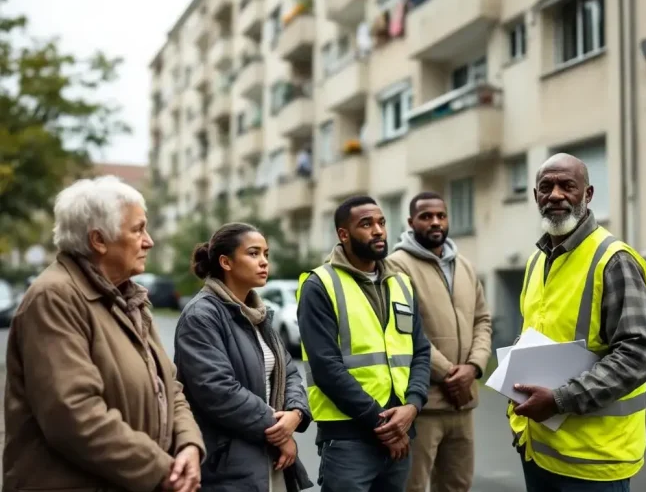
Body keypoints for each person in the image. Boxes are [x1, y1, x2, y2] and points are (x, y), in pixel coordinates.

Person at [3, 176, 205, 492]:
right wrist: (161, 470)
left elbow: (169, 386)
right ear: (99, 240)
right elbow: (73, 415)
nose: (149, 241)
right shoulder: (54, 297)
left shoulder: (130, 298)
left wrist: (189, 444)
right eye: (138, 230)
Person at [507, 153, 646, 491]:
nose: (555, 195)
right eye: (546, 187)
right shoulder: (535, 262)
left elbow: (638, 354)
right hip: (538, 450)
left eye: (567, 186)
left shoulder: (614, 259)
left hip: (594, 462)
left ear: (587, 194)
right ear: (535, 196)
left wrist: (560, 400)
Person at [297, 195, 432, 492]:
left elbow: (421, 351)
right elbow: (326, 368)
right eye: (366, 224)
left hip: (400, 432)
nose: (379, 230)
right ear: (343, 234)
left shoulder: (401, 283)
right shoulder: (319, 285)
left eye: (381, 222)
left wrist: (413, 406)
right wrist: (382, 424)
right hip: (349, 439)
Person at [174, 222, 313, 492]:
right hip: (229, 463)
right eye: (253, 253)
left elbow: (289, 372)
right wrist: (278, 430)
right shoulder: (202, 315)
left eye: (266, 254)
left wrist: (296, 413)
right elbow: (217, 389)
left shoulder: (257, 314)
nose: (264, 261)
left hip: (269, 456)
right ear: (226, 262)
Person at [388, 192, 492, 492]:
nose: (435, 222)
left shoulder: (465, 266)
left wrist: (473, 367)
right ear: (411, 222)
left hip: (462, 403)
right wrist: (449, 374)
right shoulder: (397, 266)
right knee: (412, 486)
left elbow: (482, 320)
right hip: (423, 404)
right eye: (426, 216)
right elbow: (404, 331)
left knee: (457, 485)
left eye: (441, 216)